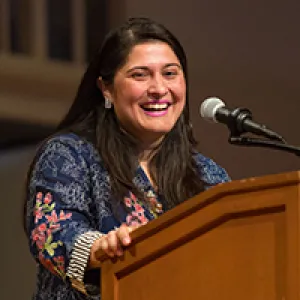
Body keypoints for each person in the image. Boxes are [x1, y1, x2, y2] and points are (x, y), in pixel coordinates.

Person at [24, 17, 230, 300]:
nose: (159, 88)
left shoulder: (208, 175)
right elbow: (52, 233)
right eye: (140, 75)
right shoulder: (69, 155)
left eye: (170, 73)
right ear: (106, 88)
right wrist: (100, 248)